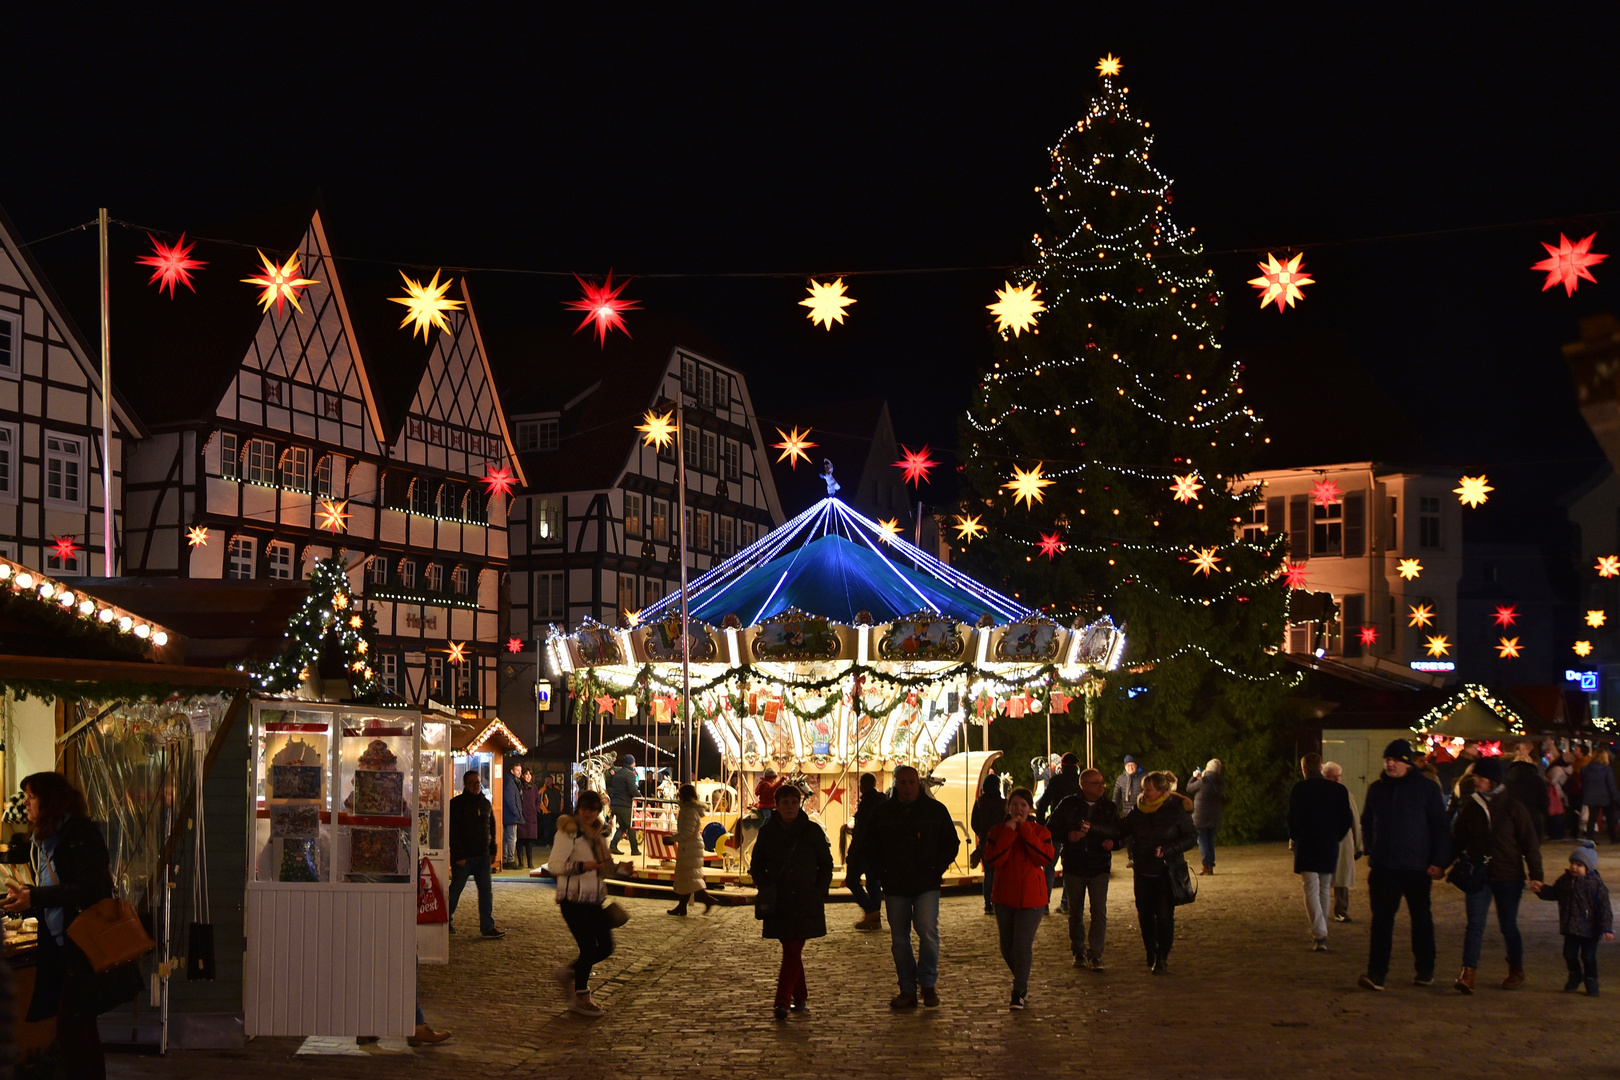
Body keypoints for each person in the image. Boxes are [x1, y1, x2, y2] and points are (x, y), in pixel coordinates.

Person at [0, 772, 140, 1080]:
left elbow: (88, 888)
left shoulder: (78, 834)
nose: (26, 803)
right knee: (77, 1029)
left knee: (74, 1028)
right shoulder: (45, 838)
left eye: (31, 796)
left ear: (49, 800)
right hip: (60, 945)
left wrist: (33, 896)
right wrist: (28, 899)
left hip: (81, 945)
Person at [1357, 739, 1449, 992]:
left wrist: (1438, 861)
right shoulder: (1377, 789)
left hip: (1417, 867)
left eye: (1395, 760)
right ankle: (1376, 974)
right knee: (1381, 921)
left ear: (1407, 763)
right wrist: (1371, 848)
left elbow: (1440, 827)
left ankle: (1425, 968)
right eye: (1387, 759)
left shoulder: (1426, 789)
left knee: (1421, 919)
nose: (1390, 763)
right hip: (1384, 867)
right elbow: (1367, 820)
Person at [869, 764, 960, 1008]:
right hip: (895, 884)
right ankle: (907, 988)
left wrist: (935, 868)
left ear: (918, 783)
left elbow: (951, 843)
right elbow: (870, 845)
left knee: (927, 931)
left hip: (925, 883)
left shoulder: (935, 810)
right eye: (903, 783)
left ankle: (927, 982)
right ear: (896, 784)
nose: (908, 787)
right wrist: (881, 872)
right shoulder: (883, 813)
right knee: (900, 939)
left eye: (911, 782)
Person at [1449, 757, 1543, 993]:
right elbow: (1457, 839)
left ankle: (1515, 969)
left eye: (1479, 777)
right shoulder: (1471, 805)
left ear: (1492, 781)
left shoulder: (1513, 806)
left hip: (1508, 874)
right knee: (1474, 925)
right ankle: (1467, 973)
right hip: (1479, 873)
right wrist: (1441, 864)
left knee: (1508, 925)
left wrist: (1536, 874)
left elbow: (1529, 842)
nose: (1476, 781)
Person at [751, 783, 833, 1019]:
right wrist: (766, 886)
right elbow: (757, 865)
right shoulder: (767, 833)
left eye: (794, 802)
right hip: (781, 900)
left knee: (792, 948)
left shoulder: (812, 831)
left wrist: (819, 890)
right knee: (791, 949)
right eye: (785, 802)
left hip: (805, 899)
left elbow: (825, 864)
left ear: (800, 804)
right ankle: (800, 995)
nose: (790, 806)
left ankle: (782, 1001)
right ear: (777, 805)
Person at [983, 787, 1054, 1010]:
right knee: (1007, 947)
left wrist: (1024, 831)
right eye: (1015, 804)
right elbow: (994, 859)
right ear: (1009, 807)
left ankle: (1019, 990)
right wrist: (1009, 832)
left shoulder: (1041, 832)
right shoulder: (997, 831)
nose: (1019, 809)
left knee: (1022, 945)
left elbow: (1043, 857)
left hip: (1032, 899)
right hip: (1004, 897)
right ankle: (1022, 976)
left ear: (1030, 808)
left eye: (1023, 805)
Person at [1121, 770, 1197, 974]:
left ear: (1162, 791)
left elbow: (1191, 837)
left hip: (1166, 871)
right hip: (1143, 870)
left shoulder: (1176, 810)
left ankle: (1162, 955)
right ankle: (1151, 950)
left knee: (1164, 915)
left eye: (1149, 790)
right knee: (1144, 915)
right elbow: (1124, 830)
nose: (1144, 793)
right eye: (1144, 789)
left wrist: (1168, 849)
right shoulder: (1138, 810)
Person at [547, 791, 615, 1016]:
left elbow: (605, 867)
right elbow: (555, 865)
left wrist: (621, 870)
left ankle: (569, 972)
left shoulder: (599, 834)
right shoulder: (569, 832)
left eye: (593, 809)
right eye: (584, 808)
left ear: (598, 812)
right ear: (578, 809)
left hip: (594, 899)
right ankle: (581, 998)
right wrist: (580, 866)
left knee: (606, 946)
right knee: (587, 947)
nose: (587, 813)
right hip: (573, 899)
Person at [1048, 767, 1121, 970]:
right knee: (1075, 912)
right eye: (1096, 783)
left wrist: (1113, 844)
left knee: (1099, 911)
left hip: (1099, 865)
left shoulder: (1108, 807)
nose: (1101, 786)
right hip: (1074, 864)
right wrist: (1068, 835)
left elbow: (1120, 831)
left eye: (1102, 782)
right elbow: (1051, 827)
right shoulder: (1068, 804)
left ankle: (1096, 953)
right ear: (1083, 785)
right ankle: (1078, 950)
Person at [1287, 753, 1354, 952]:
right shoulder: (1338, 790)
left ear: (1304, 768)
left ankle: (1319, 931)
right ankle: (1321, 929)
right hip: (1329, 844)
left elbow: (1292, 819)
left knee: (1311, 888)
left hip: (1307, 844)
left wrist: (1296, 837)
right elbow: (1346, 820)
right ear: (1321, 766)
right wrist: (1335, 837)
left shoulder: (1299, 789)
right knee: (1324, 887)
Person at [1531, 841, 1613, 996]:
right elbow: (1555, 893)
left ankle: (1591, 979)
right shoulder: (1565, 880)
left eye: (1579, 864)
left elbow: (1604, 908)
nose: (1574, 867)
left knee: (1588, 956)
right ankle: (1575, 976)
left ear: (1588, 868)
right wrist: (1541, 889)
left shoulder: (1596, 885)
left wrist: (1606, 927)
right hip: (1570, 927)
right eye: (1573, 863)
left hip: (1590, 929)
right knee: (1569, 954)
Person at [448, 770, 504, 937]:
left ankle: (488, 927)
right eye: (472, 782)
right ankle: (445, 920)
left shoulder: (485, 803)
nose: (475, 785)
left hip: (482, 855)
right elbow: (453, 831)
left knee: (486, 892)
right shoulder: (456, 804)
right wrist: (458, 855)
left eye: (478, 782)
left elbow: (491, 827)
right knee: (455, 890)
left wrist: (492, 849)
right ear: (465, 784)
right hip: (464, 856)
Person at [1035, 753, 1079, 912]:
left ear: (1062, 764)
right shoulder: (1079, 783)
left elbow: (1043, 803)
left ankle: (1045, 902)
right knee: (1070, 867)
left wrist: (1041, 824)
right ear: (1076, 765)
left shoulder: (1056, 781)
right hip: (1074, 830)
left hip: (1055, 828)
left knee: (1049, 866)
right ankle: (1066, 902)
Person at [1321, 761, 1364, 923]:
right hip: (1327, 839)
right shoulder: (1320, 793)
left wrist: (1358, 844)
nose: (1338, 780)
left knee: (1342, 878)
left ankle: (1341, 909)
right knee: (1328, 877)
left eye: (1339, 776)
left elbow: (1354, 820)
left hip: (1343, 840)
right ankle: (1325, 909)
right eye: (1334, 777)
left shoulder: (1346, 794)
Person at [668, 783, 717, 916]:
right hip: (689, 847)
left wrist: (672, 838)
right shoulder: (689, 809)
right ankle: (682, 906)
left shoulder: (690, 811)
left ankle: (706, 899)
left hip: (690, 847)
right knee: (687, 878)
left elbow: (687, 832)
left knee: (689, 878)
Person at [846, 773, 884, 930]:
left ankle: (871, 911)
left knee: (852, 880)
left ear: (861, 786)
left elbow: (862, 830)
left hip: (864, 849)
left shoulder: (867, 803)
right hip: (877, 849)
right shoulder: (882, 801)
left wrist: (853, 851)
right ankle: (874, 918)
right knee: (873, 882)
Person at [971, 773, 1006, 916]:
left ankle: (987, 904)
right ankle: (999, 901)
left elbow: (974, 823)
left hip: (985, 842)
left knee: (988, 873)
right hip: (1001, 842)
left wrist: (981, 834)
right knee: (1000, 872)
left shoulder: (979, 802)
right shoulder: (1003, 803)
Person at [1185, 759, 1225, 876]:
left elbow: (1189, 788)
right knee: (1210, 840)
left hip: (1201, 816)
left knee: (1202, 840)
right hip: (1214, 815)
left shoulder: (1204, 780)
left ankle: (1206, 865)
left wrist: (1194, 777)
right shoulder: (1219, 781)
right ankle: (1210, 864)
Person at [1503, 741, 1549, 838]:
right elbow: (1544, 802)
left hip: (1512, 818)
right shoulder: (1537, 780)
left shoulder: (1506, 779)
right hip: (1533, 817)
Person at [1580, 749, 1620, 843]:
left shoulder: (1585, 769)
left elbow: (1584, 784)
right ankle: (1613, 837)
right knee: (1610, 817)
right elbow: (1611, 785)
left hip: (1590, 796)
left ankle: (1590, 838)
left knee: (1592, 818)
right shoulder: (1607, 769)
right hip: (1605, 797)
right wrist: (1616, 798)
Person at [607, 754, 641, 857]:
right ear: (631, 763)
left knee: (622, 826)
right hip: (624, 804)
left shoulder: (617, 773)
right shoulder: (630, 774)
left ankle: (613, 846)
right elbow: (632, 789)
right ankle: (634, 849)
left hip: (616, 803)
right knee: (631, 826)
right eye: (634, 762)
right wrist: (639, 795)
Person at [502, 764, 526, 870]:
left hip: (507, 814)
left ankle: (505, 858)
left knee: (506, 838)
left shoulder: (510, 781)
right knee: (511, 838)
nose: (519, 773)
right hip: (511, 815)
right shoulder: (511, 782)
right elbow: (510, 799)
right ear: (512, 771)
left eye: (520, 770)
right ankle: (509, 860)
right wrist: (516, 812)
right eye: (517, 770)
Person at [518, 767, 542, 870]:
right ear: (523, 776)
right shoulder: (519, 787)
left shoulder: (534, 787)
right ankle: (520, 862)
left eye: (530, 775)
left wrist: (536, 809)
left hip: (532, 816)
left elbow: (538, 800)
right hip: (522, 816)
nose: (528, 776)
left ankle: (530, 862)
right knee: (520, 840)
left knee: (530, 841)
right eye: (526, 774)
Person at [537, 774, 561, 848]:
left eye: (549, 780)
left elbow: (561, 800)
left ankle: (554, 842)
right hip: (547, 813)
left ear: (552, 781)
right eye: (546, 780)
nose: (548, 781)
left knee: (556, 828)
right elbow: (540, 802)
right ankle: (547, 842)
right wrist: (546, 811)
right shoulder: (542, 790)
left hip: (557, 812)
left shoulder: (557, 789)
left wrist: (560, 809)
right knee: (547, 828)